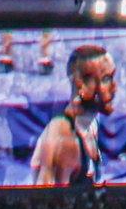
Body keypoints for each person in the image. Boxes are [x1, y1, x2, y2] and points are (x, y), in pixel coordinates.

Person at [28, 47, 117, 187]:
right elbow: (48, 200)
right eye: (106, 79)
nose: (114, 88)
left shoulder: (89, 124)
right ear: (80, 84)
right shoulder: (64, 137)